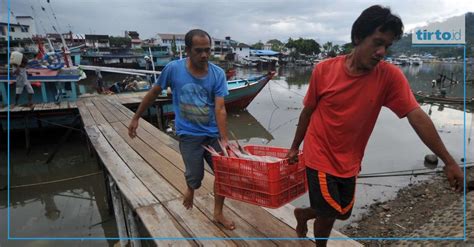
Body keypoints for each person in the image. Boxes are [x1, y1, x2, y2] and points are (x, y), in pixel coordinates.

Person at [286, 5, 463, 246]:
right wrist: (295, 147)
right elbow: (307, 112)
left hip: (349, 160)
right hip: (318, 153)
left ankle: (304, 213)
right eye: (377, 42)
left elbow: (416, 116)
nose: (382, 52)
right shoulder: (324, 70)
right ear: (358, 37)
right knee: (328, 212)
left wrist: (449, 161)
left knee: (343, 211)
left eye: (387, 47)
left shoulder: (389, 77)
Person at [128, 29, 235, 230]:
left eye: (207, 50)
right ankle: (191, 188)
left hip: (212, 134)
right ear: (187, 50)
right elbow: (153, 93)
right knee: (195, 176)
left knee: (225, 175)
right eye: (198, 50)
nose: (204, 55)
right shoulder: (173, 69)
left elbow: (220, 108)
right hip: (189, 134)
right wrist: (136, 117)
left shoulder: (217, 74)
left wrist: (225, 140)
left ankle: (218, 213)